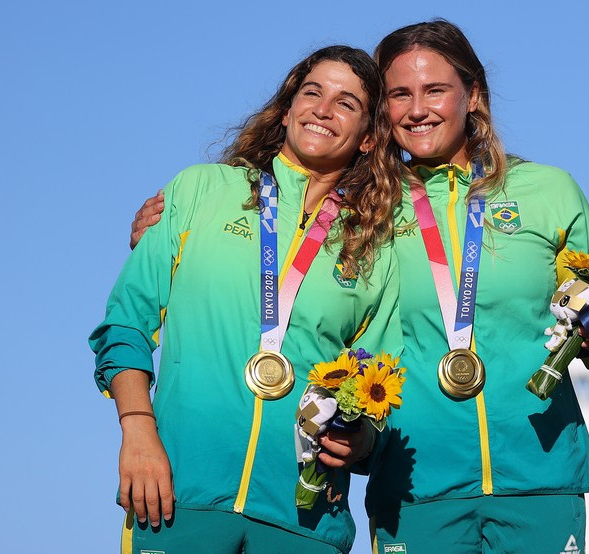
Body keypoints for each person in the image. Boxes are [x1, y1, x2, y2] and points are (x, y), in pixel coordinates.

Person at [129, 20, 589, 554]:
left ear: (474, 96)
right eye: (399, 94)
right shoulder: (367, 212)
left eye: (435, 90)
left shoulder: (550, 192)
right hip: (414, 488)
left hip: (540, 474)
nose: (417, 109)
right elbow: (278, 268)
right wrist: (165, 233)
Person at [90, 45, 404, 554]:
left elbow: (384, 376)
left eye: (346, 103)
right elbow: (126, 324)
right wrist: (138, 430)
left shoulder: (373, 245)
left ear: (369, 138)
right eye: (312, 93)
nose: (324, 109)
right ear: (286, 110)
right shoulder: (199, 191)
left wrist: (363, 437)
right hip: (176, 496)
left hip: (305, 520)